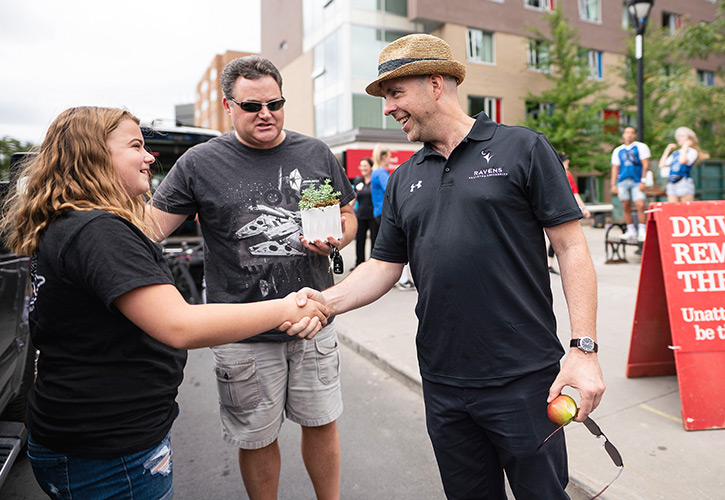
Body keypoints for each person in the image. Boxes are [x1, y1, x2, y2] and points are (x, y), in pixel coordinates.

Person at [297, 34, 605, 499]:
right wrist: (326, 301)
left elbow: (571, 248)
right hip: (443, 381)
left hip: (523, 378)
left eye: (395, 93)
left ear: (436, 84)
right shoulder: (404, 178)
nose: (387, 109)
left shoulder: (522, 148)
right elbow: (383, 266)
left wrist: (583, 351)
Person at [0, 106, 327, 500]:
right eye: (136, 146)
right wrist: (288, 307)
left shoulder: (75, 221)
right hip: (108, 451)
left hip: (93, 437)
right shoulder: (98, 230)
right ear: (94, 154)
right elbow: (179, 325)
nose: (150, 157)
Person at [149, 56, 356, 500]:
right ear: (228, 106)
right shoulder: (198, 163)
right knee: (256, 437)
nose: (266, 113)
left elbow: (346, 215)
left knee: (322, 422)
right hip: (241, 328)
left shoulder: (315, 152)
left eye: (275, 102)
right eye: (252, 106)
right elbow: (148, 231)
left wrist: (337, 237)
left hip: (314, 319)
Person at [370, 143, 415, 290]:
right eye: (389, 156)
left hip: (378, 212)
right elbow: (393, 189)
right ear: (384, 157)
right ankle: (403, 280)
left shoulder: (375, 172)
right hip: (386, 212)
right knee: (400, 246)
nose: (390, 159)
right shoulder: (381, 172)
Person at [548, 152, 591, 275]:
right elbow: (575, 193)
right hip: (561, 211)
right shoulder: (564, 175)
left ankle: (549, 263)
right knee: (567, 239)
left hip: (555, 209)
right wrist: (584, 208)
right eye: (566, 161)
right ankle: (571, 266)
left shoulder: (554, 174)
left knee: (556, 238)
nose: (568, 163)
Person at [610, 126, 651, 242]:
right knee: (625, 205)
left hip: (637, 180)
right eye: (627, 132)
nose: (629, 135)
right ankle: (630, 230)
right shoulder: (618, 150)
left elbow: (646, 165)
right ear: (623, 135)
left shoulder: (640, 147)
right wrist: (613, 184)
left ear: (635, 135)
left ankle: (642, 230)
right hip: (622, 181)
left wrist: (643, 180)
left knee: (640, 204)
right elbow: (615, 168)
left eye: (632, 133)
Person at [661, 126, 709, 203]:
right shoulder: (675, 153)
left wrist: (686, 146)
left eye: (682, 136)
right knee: (672, 208)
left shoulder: (692, 151)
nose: (679, 138)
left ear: (689, 138)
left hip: (684, 181)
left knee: (686, 208)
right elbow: (662, 164)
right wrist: (667, 150)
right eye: (678, 136)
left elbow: (682, 161)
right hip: (672, 182)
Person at [351, 157, 378, 268]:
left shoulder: (375, 180)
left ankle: (372, 264)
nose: (363, 168)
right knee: (360, 240)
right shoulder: (358, 181)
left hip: (373, 215)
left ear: (371, 167)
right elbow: (354, 198)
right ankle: (359, 263)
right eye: (361, 165)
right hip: (361, 215)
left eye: (365, 165)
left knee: (374, 240)